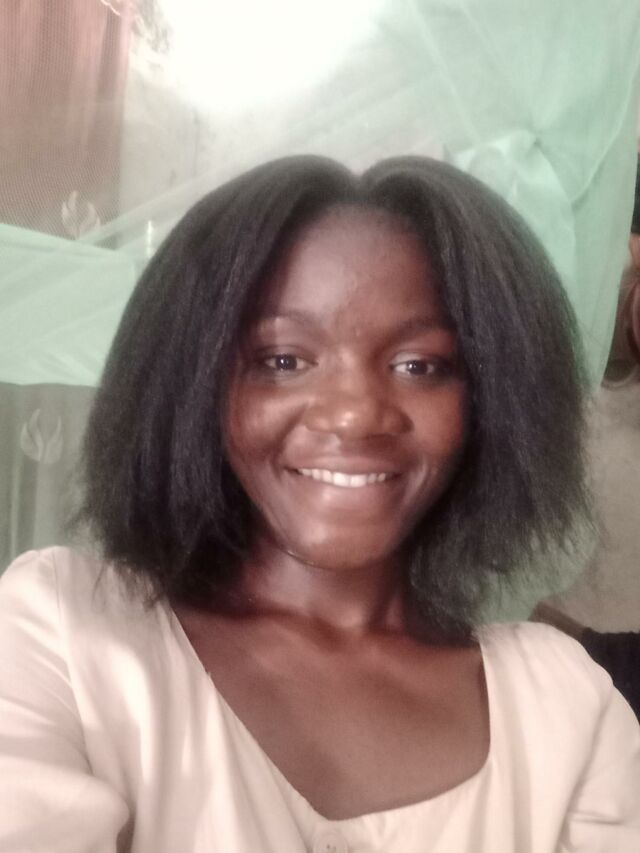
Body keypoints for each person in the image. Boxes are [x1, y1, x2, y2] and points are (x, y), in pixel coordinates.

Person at [1, 155, 639, 852]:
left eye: (419, 365)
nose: (355, 414)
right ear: (192, 382)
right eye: (283, 360)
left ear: (491, 400)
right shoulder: (65, 634)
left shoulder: (562, 707)